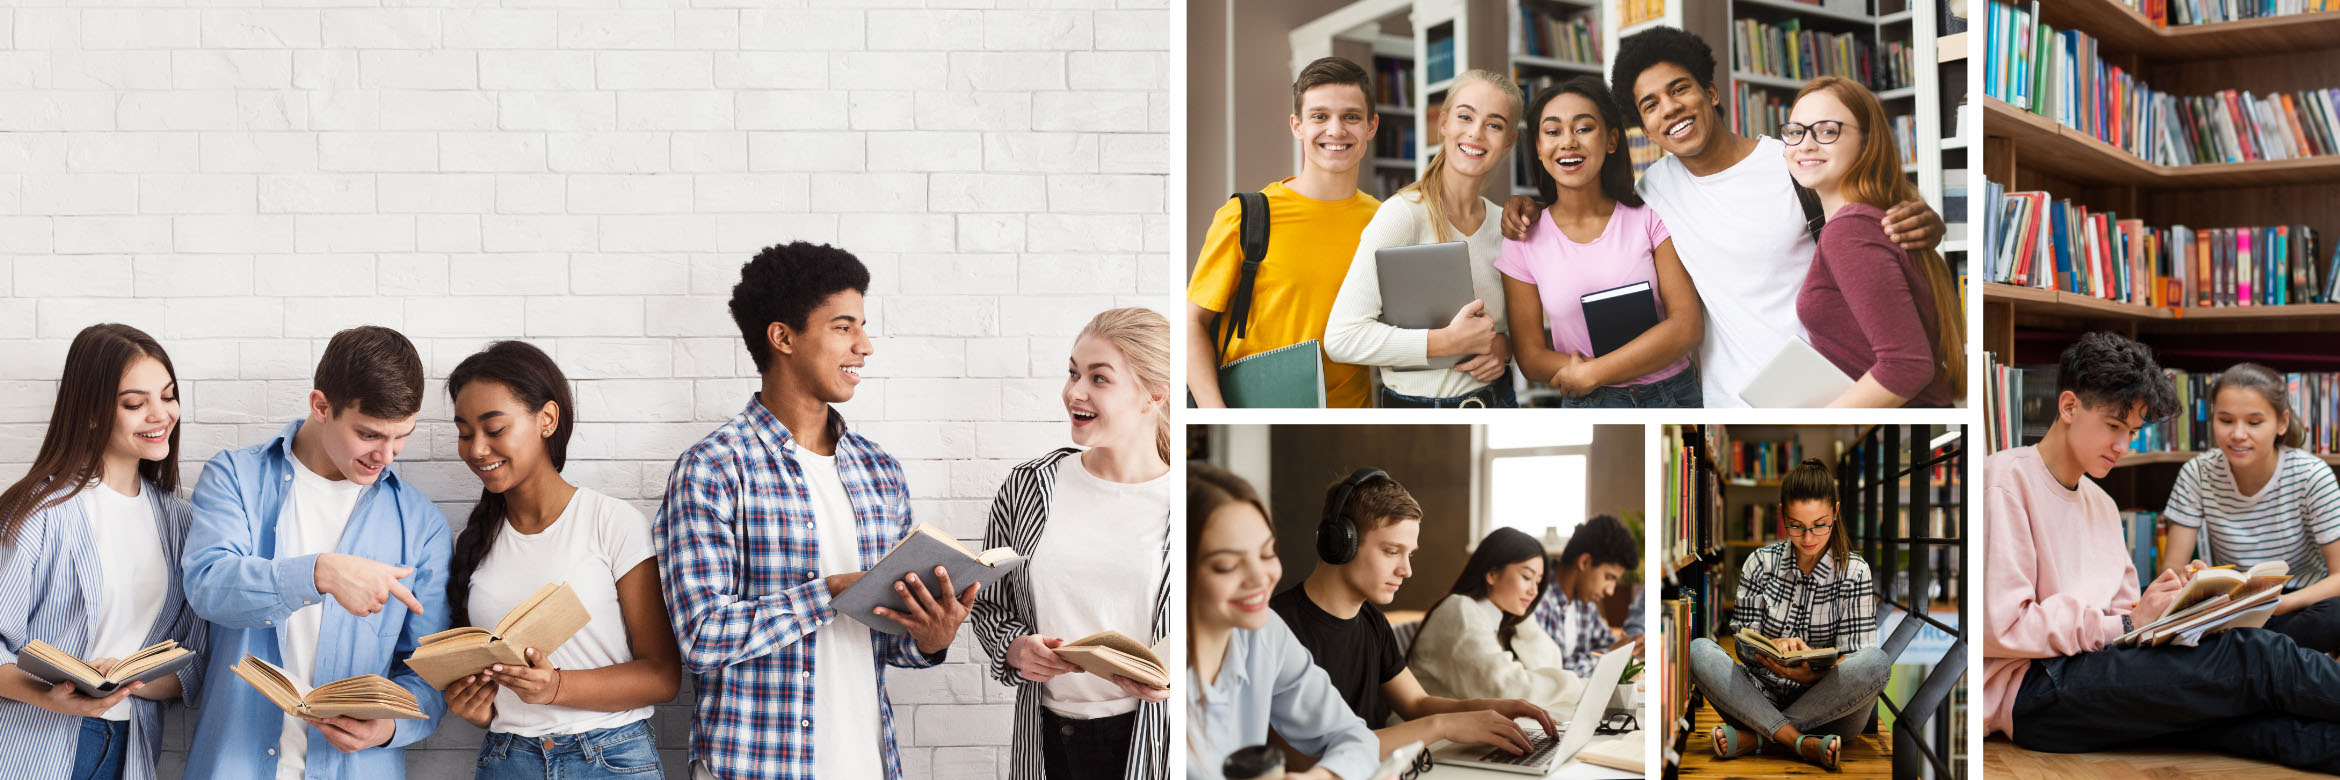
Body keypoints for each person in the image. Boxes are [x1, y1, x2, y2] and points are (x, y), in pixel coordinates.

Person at [657, 242, 978, 780]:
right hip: (754, 767)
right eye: (844, 327)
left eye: (863, 326)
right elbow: (701, 636)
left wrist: (931, 637)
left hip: (868, 763)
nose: (865, 346)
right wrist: (830, 591)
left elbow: (892, 645)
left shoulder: (879, 471)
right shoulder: (711, 469)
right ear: (782, 337)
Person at [1498, 27, 1945, 408]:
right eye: (1650, 105)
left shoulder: (1793, 163)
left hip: (1832, 391)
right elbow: (1591, 211)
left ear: (1710, 93)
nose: (1669, 108)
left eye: (1679, 89)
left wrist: (1926, 222)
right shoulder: (1651, 193)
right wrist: (1531, 208)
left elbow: (1874, 221)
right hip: (1725, 403)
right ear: (1644, 128)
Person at [1985, 332, 2340, 772]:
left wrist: (2173, 608)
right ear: (2070, 407)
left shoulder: (2101, 503)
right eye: (2114, 427)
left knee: (2249, 720)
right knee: (2259, 658)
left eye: (2132, 432)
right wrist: (2130, 621)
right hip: (2033, 691)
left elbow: (2122, 615)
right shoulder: (2004, 481)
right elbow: (2003, 626)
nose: (2123, 446)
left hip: (2095, 665)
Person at [180, 325, 452, 780]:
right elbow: (207, 586)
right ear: (321, 406)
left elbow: (430, 674)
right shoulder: (235, 478)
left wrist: (387, 727)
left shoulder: (421, 525)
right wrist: (320, 573)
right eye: (369, 435)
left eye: (401, 435)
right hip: (235, 765)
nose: (386, 454)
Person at [438, 341, 683, 779]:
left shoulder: (611, 522)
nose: (476, 449)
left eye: (494, 429)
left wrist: (556, 688)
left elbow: (663, 677)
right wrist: (475, 708)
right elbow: (490, 691)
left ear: (546, 419)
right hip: (508, 758)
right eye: (464, 432)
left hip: (609, 758)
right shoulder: (475, 544)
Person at [973, 308, 1175, 780]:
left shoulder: (1188, 503)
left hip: (1149, 742)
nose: (1074, 392)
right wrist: (1014, 649)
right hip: (1046, 739)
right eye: (1073, 372)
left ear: (1154, 396)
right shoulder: (1029, 487)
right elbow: (987, 603)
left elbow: (1217, 627)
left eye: (1098, 378)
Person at [0, 324, 205, 780]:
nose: (161, 414)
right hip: (33, 743)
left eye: (168, 396)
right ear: (91, 413)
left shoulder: (182, 522)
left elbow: (196, 661)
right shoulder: (39, 512)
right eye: (135, 403)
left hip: (130, 746)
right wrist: (48, 694)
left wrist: (131, 679)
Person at [1268, 470, 1556, 761]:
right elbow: (1309, 756)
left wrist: (1488, 708)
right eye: (1392, 551)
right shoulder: (1277, 629)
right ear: (1339, 544)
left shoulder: (1371, 620)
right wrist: (1443, 725)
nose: (1406, 570)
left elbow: (1417, 703)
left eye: (1410, 555)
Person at [1187, 56, 1385, 408]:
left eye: (1351, 117)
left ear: (1371, 126)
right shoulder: (1245, 215)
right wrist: (1216, 414)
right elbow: (1192, 325)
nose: (1336, 130)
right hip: (1257, 405)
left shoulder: (1386, 222)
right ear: (1297, 126)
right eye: (1320, 116)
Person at [1496, 76, 1702, 408]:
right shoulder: (1522, 237)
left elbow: (1687, 327)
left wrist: (1596, 372)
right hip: (1588, 401)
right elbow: (1531, 357)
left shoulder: (1650, 218)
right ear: (1537, 146)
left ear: (1611, 140)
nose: (1567, 142)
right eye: (1552, 131)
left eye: (1583, 128)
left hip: (1672, 396)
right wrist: (1589, 378)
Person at [1323, 68, 1522, 408]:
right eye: (1465, 117)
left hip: (1497, 402)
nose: (1476, 133)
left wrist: (1503, 347)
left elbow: (1516, 329)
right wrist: (1445, 342)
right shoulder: (1402, 215)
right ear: (1443, 123)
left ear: (1508, 142)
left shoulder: (1504, 225)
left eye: (1494, 124)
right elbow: (1342, 338)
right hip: (1416, 408)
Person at [1689, 458, 1889, 769]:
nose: (1808, 538)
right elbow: (1742, 645)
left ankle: (1760, 738)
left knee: (1877, 662)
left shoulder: (1855, 571)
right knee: (1698, 651)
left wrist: (1811, 671)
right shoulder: (1760, 563)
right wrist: (1773, 646)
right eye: (1796, 526)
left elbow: (1857, 655)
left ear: (1836, 513)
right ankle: (1800, 742)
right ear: (1783, 516)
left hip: (1829, 710)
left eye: (1819, 525)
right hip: (1759, 695)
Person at [1187, 463, 1379, 780]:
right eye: (1226, 565)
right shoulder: (1159, 679)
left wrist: (1323, 778)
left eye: (1267, 554)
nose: (1261, 578)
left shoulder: (1265, 633)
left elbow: (1354, 736)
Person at [1783, 76, 1964, 408]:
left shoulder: (1850, 230)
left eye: (1826, 131)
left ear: (1867, 143)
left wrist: (1823, 424)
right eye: (1795, 132)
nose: (1805, 145)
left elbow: (1906, 367)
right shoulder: (1868, 220)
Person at [2159, 362, 2340, 653]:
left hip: (2296, 604)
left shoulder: (2311, 475)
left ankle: (2245, 658)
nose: (2238, 434)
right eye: (2226, 420)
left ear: (2281, 423)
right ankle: (2262, 658)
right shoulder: (2197, 472)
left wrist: (2279, 604)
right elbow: (2171, 568)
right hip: (2229, 607)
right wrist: (2188, 576)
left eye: (2254, 423)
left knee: (2335, 617)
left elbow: (2339, 576)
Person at [1407, 528, 1584, 713]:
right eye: (1526, 577)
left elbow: (1551, 663)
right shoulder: (1460, 610)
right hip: (1427, 738)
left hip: (1460, 732)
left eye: (1538, 582)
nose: (1534, 591)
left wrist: (1522, 618)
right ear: (1491, 575)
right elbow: (1507, 690)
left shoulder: (1497, 620)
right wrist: (1580, 686)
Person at [1530, 515, 1644, 677]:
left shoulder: (1584, 603)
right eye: (1609, 577)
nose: (1610, 591)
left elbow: (1609, 643)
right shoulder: (1537, 598)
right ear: (1584, 562)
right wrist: (1610, 657)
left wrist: (1632, 647)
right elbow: (1552, 673)